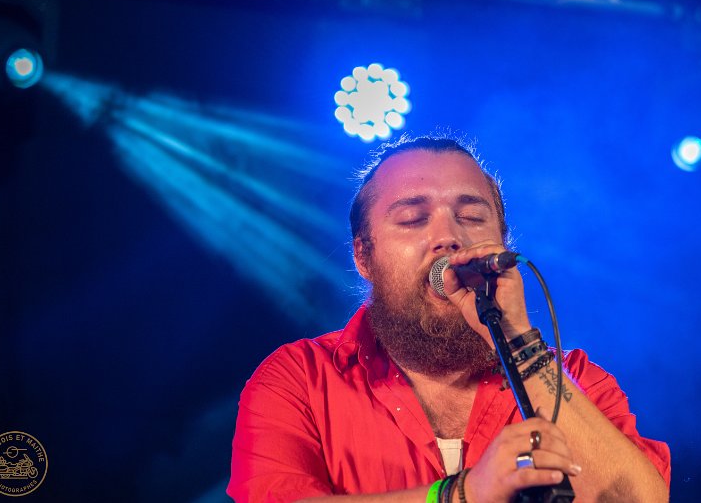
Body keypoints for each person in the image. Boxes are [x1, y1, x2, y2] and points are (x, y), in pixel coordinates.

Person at [228, 134, 670, 502]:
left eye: (471, 217)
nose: (449, 237)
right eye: (412, 219)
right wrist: (461, 495)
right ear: (364, 256)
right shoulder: (300, 379)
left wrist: (519, 341)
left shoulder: (576, 381)